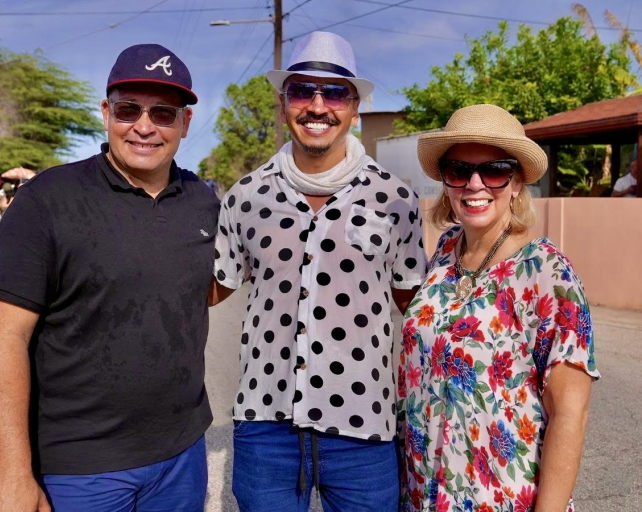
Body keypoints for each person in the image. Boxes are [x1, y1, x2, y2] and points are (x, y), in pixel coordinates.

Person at [0, 43, 219, 512]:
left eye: (164, 113)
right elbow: (4, 338)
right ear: (106, 112)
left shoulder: (203, 202)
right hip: (81, 467)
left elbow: (201, 290)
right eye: (129, 109)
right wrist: (13, 473)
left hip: (182, 454)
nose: (145, 126)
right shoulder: (46, 201)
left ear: (185, 124)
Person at [209, 31, 427, 511]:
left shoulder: (395, 199)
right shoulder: (245, 198)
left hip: (363, 428)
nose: (317, 105)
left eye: (334, 93)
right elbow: (210, 288)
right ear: (284, 102)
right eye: (302, 90)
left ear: (354, 108)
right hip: (266, 426)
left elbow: (415, 306)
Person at [398, 104, 600, 512]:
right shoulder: (444, 254)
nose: (475, 184)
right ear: (446, 181)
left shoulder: (546, 274)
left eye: (494, 170)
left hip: (502, 500)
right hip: (423, 494)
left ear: (516, 182)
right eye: (459, 170)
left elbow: (569, 414)